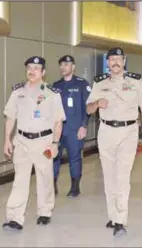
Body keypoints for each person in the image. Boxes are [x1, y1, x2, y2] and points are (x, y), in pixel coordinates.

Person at [86, 47, 142, 236]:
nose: (115, 62)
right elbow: (89, 109)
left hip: (128, 132)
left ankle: (120, 220)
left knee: (122, 177)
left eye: (118, 59)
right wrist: (97, 103)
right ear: (108, 63)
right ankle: (113, 215)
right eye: (112, 59)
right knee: (109, 176)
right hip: (106, 131)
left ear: (124, 61)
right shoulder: (99, 83)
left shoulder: (135, 81)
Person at [2, 56, 66, 230]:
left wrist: (54, 143)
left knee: (44, 178)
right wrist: (7, 138)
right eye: (29, 67)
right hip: (21, 142)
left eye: (36, 68)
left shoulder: (52, 94)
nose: (32, 71)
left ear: (43, 72)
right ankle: (15, 217)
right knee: (20, 180)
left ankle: (45, 211)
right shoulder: (17, 92)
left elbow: (58, 122)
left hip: (43, 142)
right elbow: (10, 117)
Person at [52, 55, 91, 197]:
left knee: (74, 157)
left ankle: (75, 186)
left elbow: (88, 107)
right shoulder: (56, 86)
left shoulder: (82, 84)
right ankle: (52, 183)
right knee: (53, 156)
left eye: (66, 64)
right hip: (57, 129)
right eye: (61, 65)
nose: (63, 67)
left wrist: (84, 125)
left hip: (74, 128)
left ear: (73, 67)